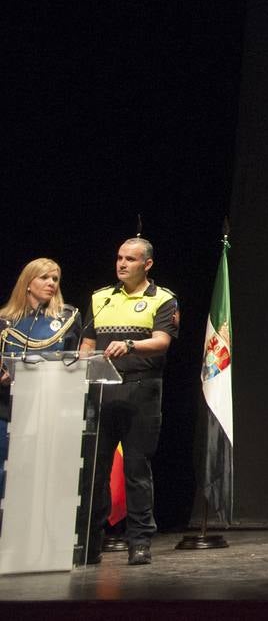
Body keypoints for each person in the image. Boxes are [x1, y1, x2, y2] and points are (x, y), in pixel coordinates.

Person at [81, 238, 179, 566]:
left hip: (141, 392)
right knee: (95, 472)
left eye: (131, 259)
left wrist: (130, 345)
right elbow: (88, 342)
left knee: (137, 470)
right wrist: (81, 368)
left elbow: (163, 342)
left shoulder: (162, 298)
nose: (122, 264)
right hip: (103, 393)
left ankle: (139, 542)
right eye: (119, 257)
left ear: (147, 264)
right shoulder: (101, 297)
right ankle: (90, 543)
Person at [0, 259, 84, 500]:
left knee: (35, 477)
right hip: (7, 409)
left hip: (48, 410)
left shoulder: (68, 318)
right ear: (28, 283)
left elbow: (74, 361)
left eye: (55, 279)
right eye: (44, 278)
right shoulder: (5, 320)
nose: (51, 284)